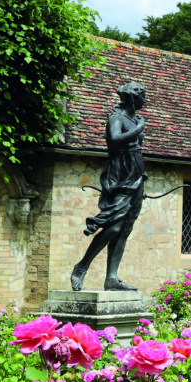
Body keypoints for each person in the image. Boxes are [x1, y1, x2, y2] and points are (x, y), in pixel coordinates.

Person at [70, 82, 148, 292]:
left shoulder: (133, 119)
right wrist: (139, 129)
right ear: (132, 98)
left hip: (137, 176)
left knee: (125, 229)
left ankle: (111, 278)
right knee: (113, 226)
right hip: (120, 177)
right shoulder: (117, 119)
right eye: (143, 97)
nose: (145, 101)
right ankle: (81, 266)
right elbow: (114, 141)